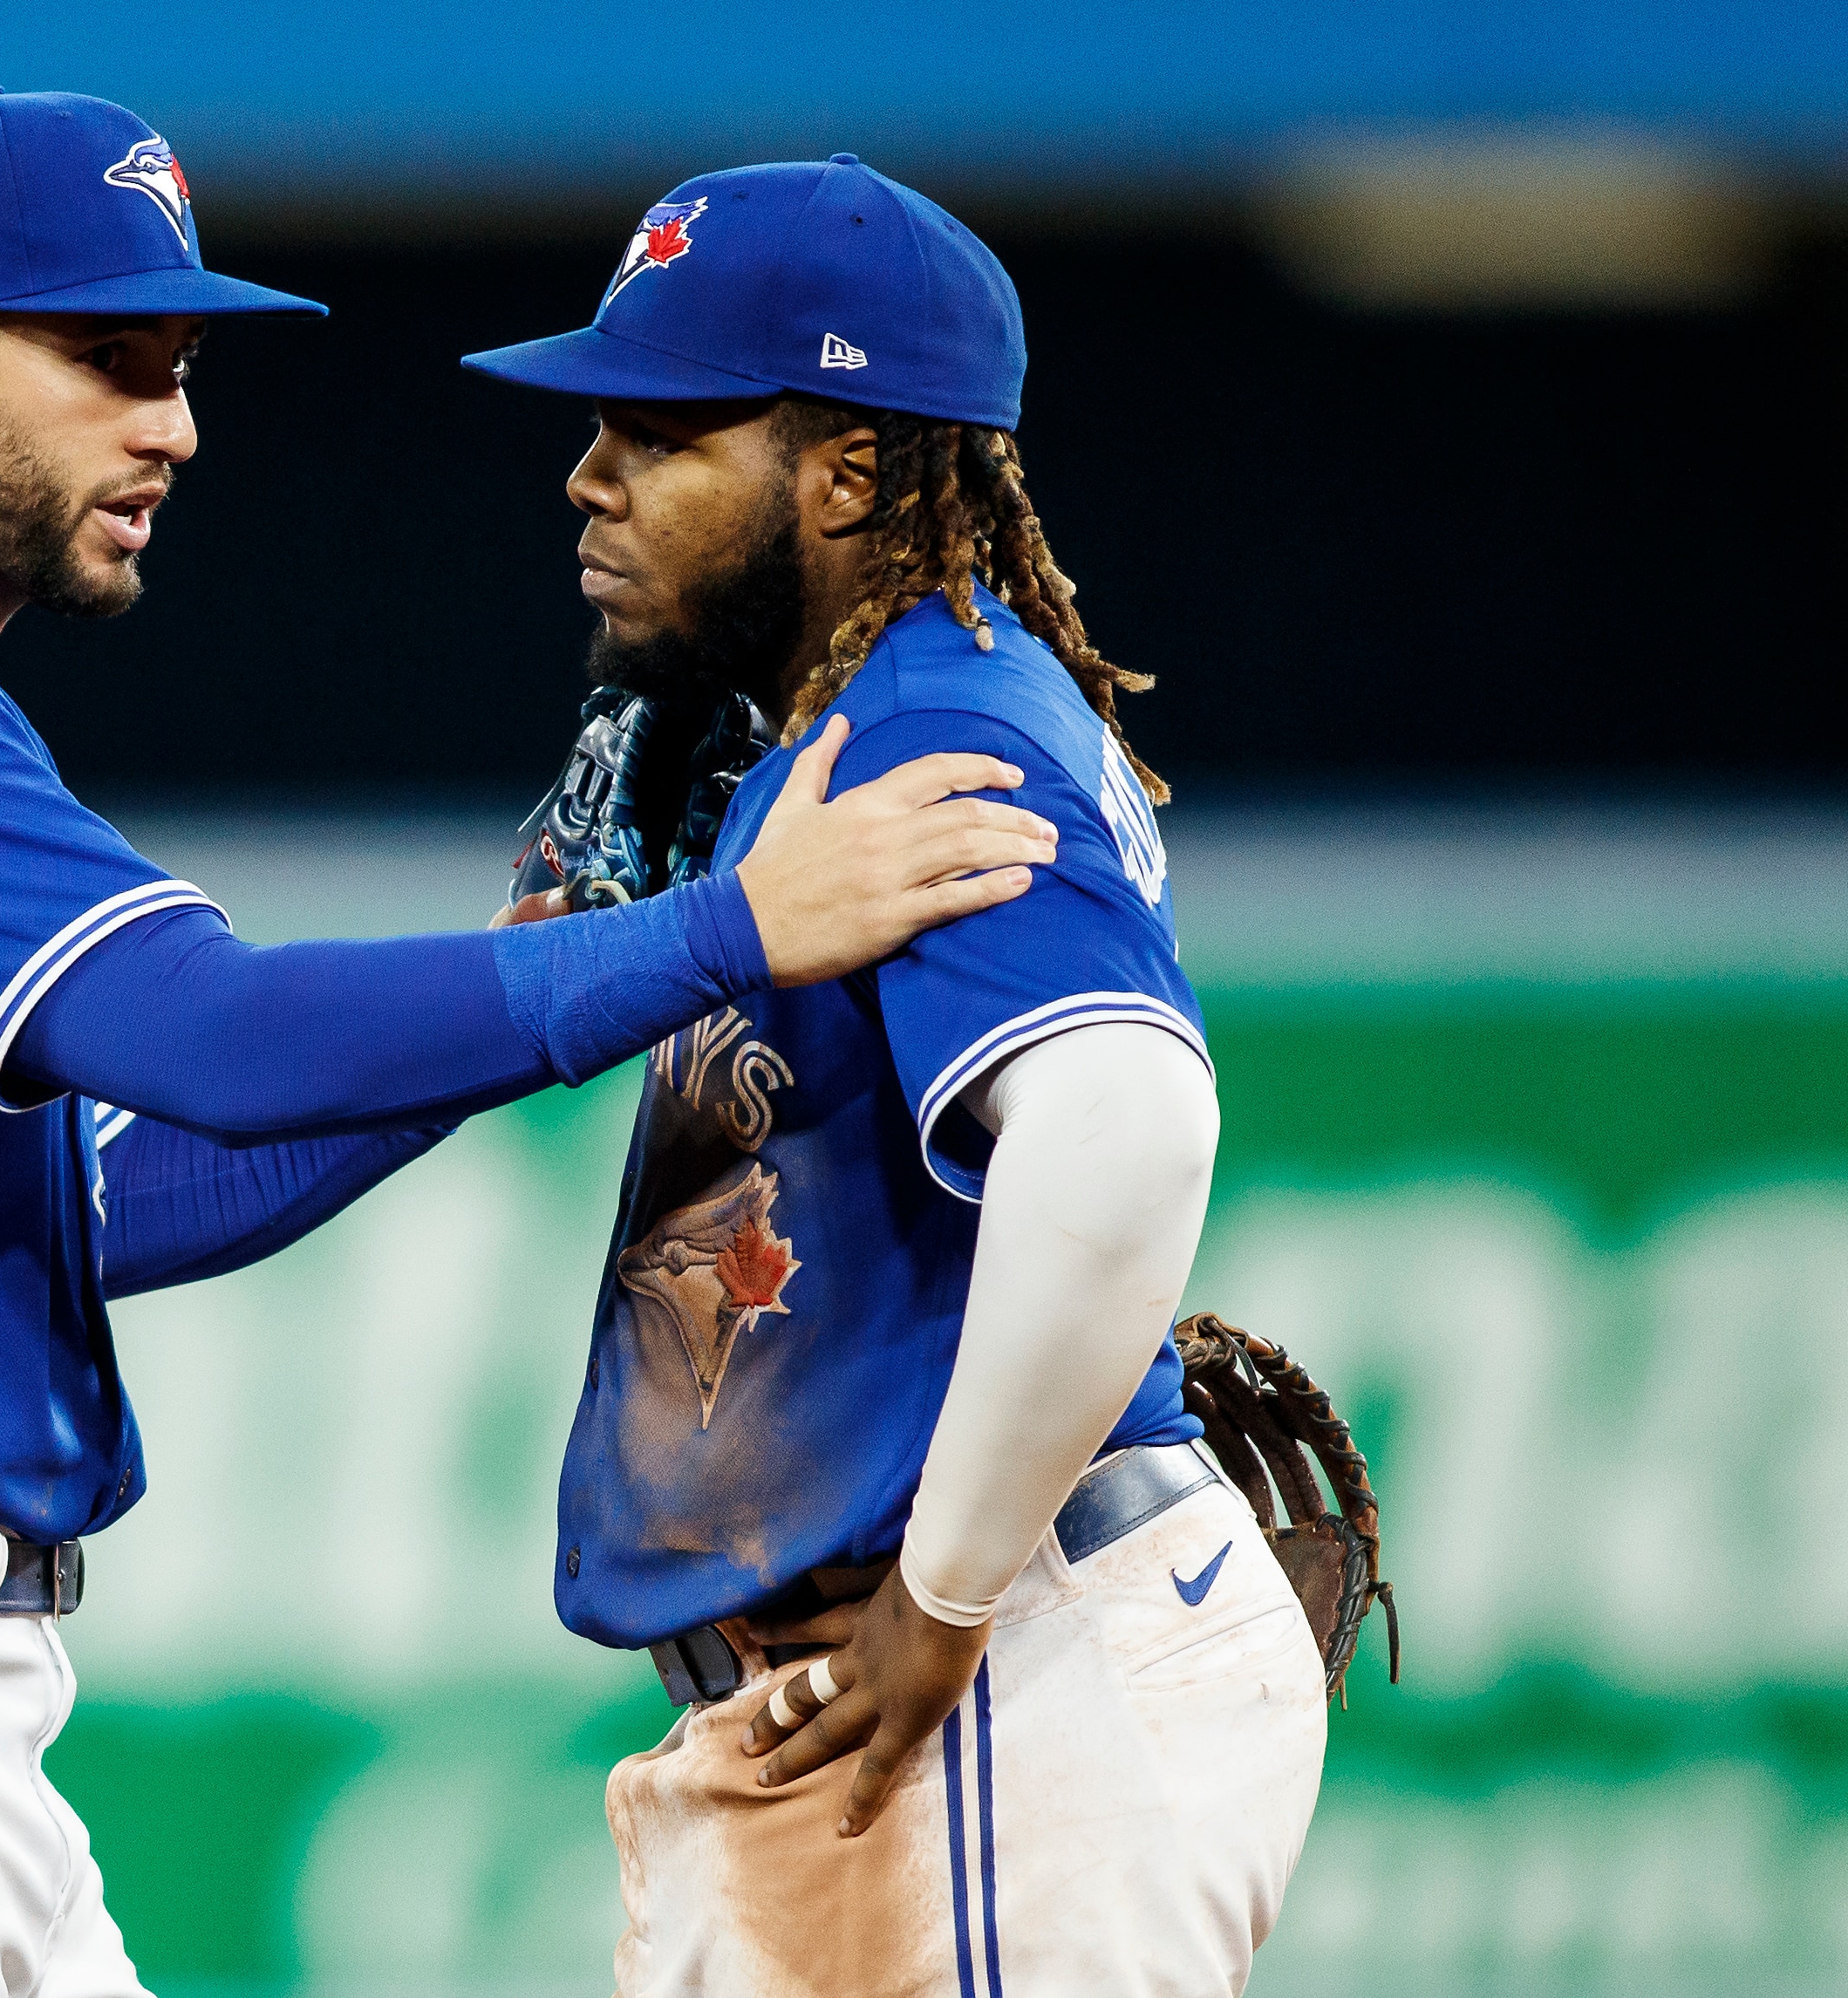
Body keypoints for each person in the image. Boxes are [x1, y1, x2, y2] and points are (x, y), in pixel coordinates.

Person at [0, 97, 1061, 1998]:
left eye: (184, 368)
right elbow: (216, 1035)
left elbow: (135, 1191)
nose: (175, 425)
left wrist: (545, 953)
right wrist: (720, 933)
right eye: (109, 361)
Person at [461, 157, 1328, 1995]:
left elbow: (1127, 1123)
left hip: (996, 1664)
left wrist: (942, 1599)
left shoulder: (928, 726)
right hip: (945, 1670)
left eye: (661, 430)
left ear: (848, 473)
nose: (588, 476)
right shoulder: (824, 735)